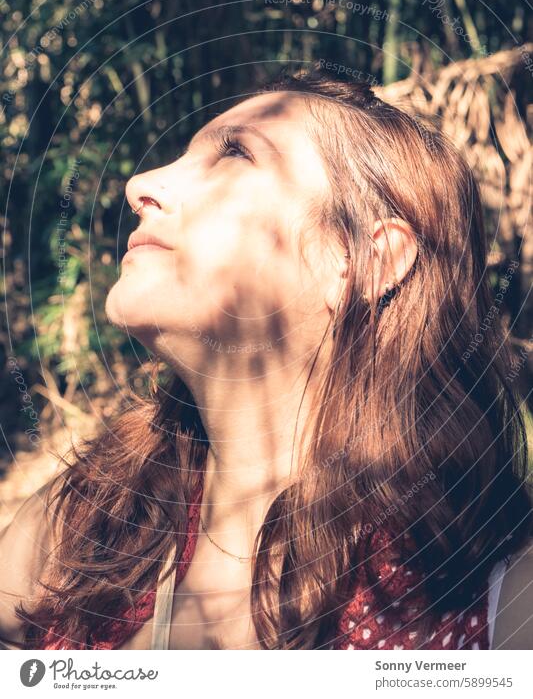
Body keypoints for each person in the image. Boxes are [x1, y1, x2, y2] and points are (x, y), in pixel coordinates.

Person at [1, 66, 531, 650]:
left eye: (234, 155)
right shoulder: (89, 518)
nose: (140, 184)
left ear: (367, 260)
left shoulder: (491, 604)